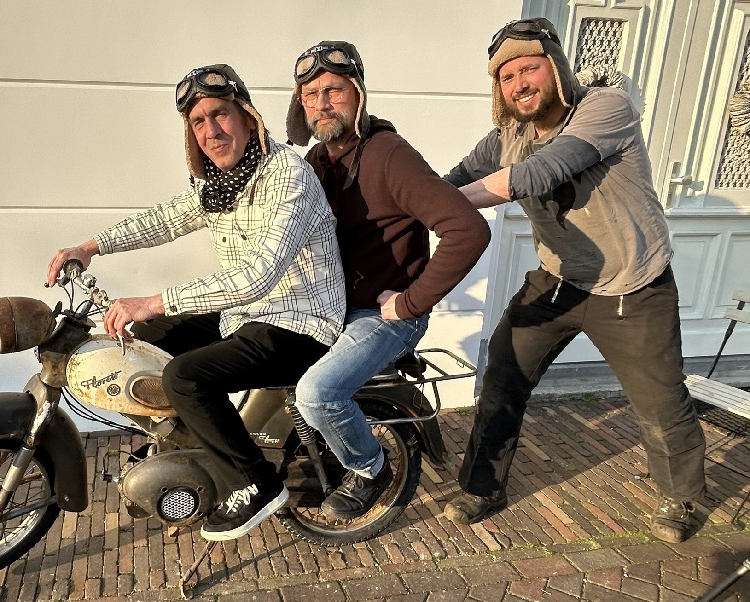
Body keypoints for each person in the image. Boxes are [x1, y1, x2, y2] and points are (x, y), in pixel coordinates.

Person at [46, 64, 346, 541]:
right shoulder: (220, 182)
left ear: (249, 118)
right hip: (250, 314)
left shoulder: (288, 176)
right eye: (198, 122)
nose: (211, 130)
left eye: (220, 114)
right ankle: (190, 446)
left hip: (302, 320)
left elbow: (258, 275)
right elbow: (166, 219)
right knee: (147, 339)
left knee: (184, 377)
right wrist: (92, 245)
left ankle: (254, 483)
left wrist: (156, 299)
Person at [440, 18, 706, 543]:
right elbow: (450, 180)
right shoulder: (506, 136)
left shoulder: (606, 108)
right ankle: (483, 487)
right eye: (507, 76)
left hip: (634, 284)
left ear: (556, 69)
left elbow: (543, 172)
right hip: (559, 281)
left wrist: (445, 206)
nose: (519, 83)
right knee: (504, 373)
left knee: (660, 402)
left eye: (530, 68)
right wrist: (406, 199)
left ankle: (683, 500)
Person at [285, 41, 491, 520]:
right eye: (310, 94)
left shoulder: (389, 155)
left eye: (333, 90)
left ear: (357, 93)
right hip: (331, 308)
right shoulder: (319, 161)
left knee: (317, 392)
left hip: (381, 317)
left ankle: (369, 467)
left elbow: (468, 230)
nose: (321, 103)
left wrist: (411, 303)